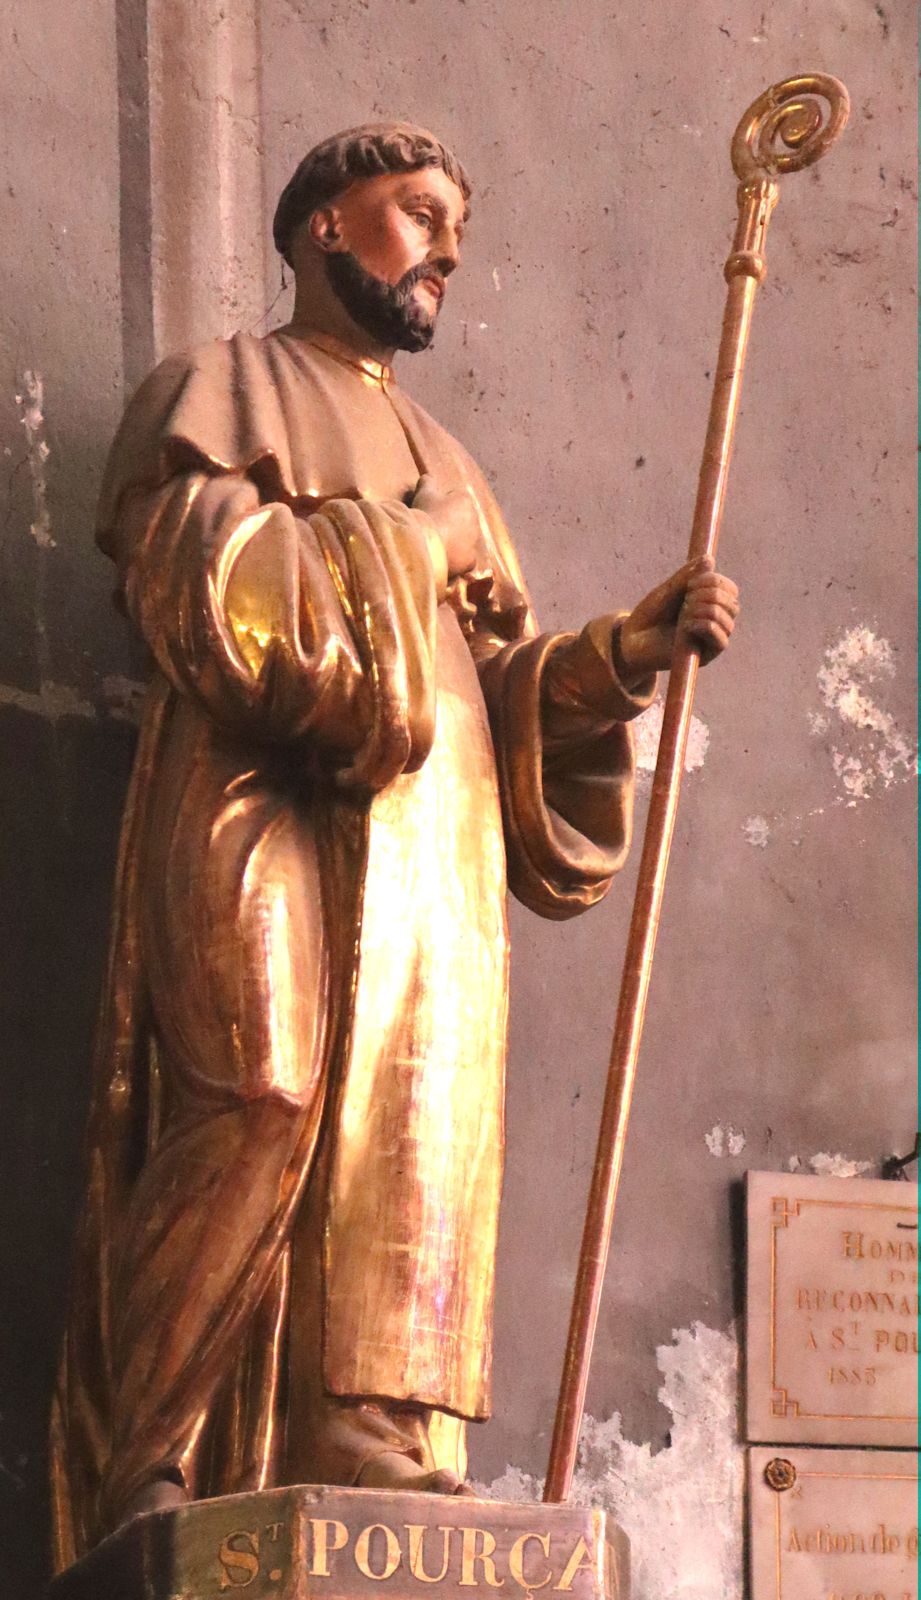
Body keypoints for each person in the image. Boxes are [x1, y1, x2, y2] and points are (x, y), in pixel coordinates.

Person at [50, 122, 738, 1566]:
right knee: (263, 1094)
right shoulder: (222, 388)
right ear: (320, 226)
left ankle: (369, 1434)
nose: (442, 250)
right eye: (414, 213)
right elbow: (216, 600)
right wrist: (403, 553)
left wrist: (620, 652)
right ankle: (149, 1471)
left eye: (453, 228)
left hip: (431, 837)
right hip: (261, 794)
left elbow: (492, 696)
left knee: (414, 1128)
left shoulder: (451, 463)